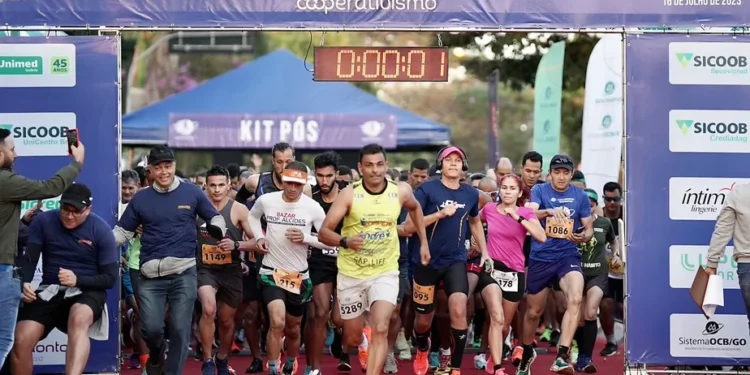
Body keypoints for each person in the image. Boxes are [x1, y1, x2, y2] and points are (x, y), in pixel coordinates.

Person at [113, 145, 228, 375]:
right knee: (151, 329)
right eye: (158, 167)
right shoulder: (141, 198)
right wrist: (99, 242)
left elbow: (214, 216)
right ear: (151, 170)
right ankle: (156, 356)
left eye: (168, 166)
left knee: (179, 328)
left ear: (174, 166)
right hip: (149, 275)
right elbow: (122, 232)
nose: (164, 172)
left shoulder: (192, 192)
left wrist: (217, 227)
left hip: (183, 272)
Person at [318, 143, 429, 375]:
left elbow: (416, 209)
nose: (375, 170)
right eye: (369, 165)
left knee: (381, 326)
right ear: (361, 167)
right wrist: (345, 241)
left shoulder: (400, 191)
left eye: (379, 165)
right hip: (352, 272)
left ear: (386, 165)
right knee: (352, 335)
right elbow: (324, 232)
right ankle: (362, 343)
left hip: (385, 270)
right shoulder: (349, 194)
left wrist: (424, 243)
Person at [0, 128, 85, 368]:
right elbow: (51, 187)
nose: (16, 155)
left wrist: (21, 222)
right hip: (2, 270)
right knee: (3, 341)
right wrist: (77, 161)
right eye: (12, 150)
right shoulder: (4, 180)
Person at [13, 184, 118, 375]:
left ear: (88, 210)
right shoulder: (43, 221)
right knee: (21, 338)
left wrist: (78, 280)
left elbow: (110, 279)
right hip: (50, 289)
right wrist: (24, 282)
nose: (69, 216)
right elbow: (29, 259)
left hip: (87, 290)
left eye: (76, 211)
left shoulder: (101, 230)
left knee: (78, 319)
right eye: (65, 209)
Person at [405, 145, 490, 375]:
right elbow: (409, 227)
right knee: (424, 320)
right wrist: (439, 214)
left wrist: (484, 251)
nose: (453, 163)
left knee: (459, 309)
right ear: (440, 164)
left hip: (455, 260)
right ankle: (422, 346)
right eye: (448, 160)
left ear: (464, 166)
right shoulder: (426, 190)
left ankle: (455, 367)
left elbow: (474, 221)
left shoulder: (470, 194)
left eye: (457, 160)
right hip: (426, 262)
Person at [248, 161, 332, 375]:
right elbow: (253, 216)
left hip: (298, 276)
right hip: (270, 272)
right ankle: (274, 368)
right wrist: (259, 237)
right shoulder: (266, 200)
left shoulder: (312, 207)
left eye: (298, 184)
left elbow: (327, 239)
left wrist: (306, 238)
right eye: (289, 183)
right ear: (282, 180)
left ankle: (291, 360)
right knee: (277, 321)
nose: (293, 188)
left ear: (304, 183)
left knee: (294, 328)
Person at [516, 154, 593, 375]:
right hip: (541, 258)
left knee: (576, 298)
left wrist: (584, 236)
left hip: (567, 256)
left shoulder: (579, 196)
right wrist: (549, 211)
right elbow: (528, 213)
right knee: (533, 312)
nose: (561, 177)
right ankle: (527, 350)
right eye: (557, 172)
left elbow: (588, 227)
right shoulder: (540, 191)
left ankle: (562, 355)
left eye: (565, 172)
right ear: (550, 174)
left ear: (570, 174)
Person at [477, 174, 546, 375]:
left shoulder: (526, 212)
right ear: (499, 190)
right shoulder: (489, 209)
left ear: (519, 192)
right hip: (491, 269)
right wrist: (480, 247)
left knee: (504, 325)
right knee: (496, 318)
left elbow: (541, 237)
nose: (507, 192)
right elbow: (474, 222)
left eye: (512, 188)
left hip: (515, 272)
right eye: (504, 188)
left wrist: (517, 218)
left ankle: (494, 355)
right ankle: (498, 368)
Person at [197, 166, 256, 375]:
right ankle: (206, 361)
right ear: (206, 186)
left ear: (229, 185)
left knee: (226, 320)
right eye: (212, 185)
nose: (216, 190)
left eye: (221, 185)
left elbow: (256, 241)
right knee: (209, 309)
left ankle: (221, 358)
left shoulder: (239, 209)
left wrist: (237, 246)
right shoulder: (197, 207)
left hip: (231, 270)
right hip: (205, 269)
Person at [304, 152, 349, 375]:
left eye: (329, 176)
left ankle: (337, 332)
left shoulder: (346, 196)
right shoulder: (310, 196)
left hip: (345, 261)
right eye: (320, 176)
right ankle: (314, 368)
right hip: (319, 261)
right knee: (319, 314)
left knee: (338, 318)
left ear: (337, 175)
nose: (324, 181)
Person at [574, 189, 618, 372]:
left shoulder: (605, 222)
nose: (589, 204)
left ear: (595, 203)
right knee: (579, 319)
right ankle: (576, 352)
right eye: (586, 201)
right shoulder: (573, 222)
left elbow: (613, 240)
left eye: (592, 201)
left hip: (598, 273)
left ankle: (586, 357)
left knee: (591, 313)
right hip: (576, 273)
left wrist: (615, 255)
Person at [599, 181, 623, 357]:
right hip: (606, 272)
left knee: (625, 308)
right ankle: (611, 341)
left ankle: (633, 343)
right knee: (605, 304)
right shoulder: (598, 216)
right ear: (604, 198)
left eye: (616, 199)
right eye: (608, 199)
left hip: (626, 272)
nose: (612, 203)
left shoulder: (629, 215)